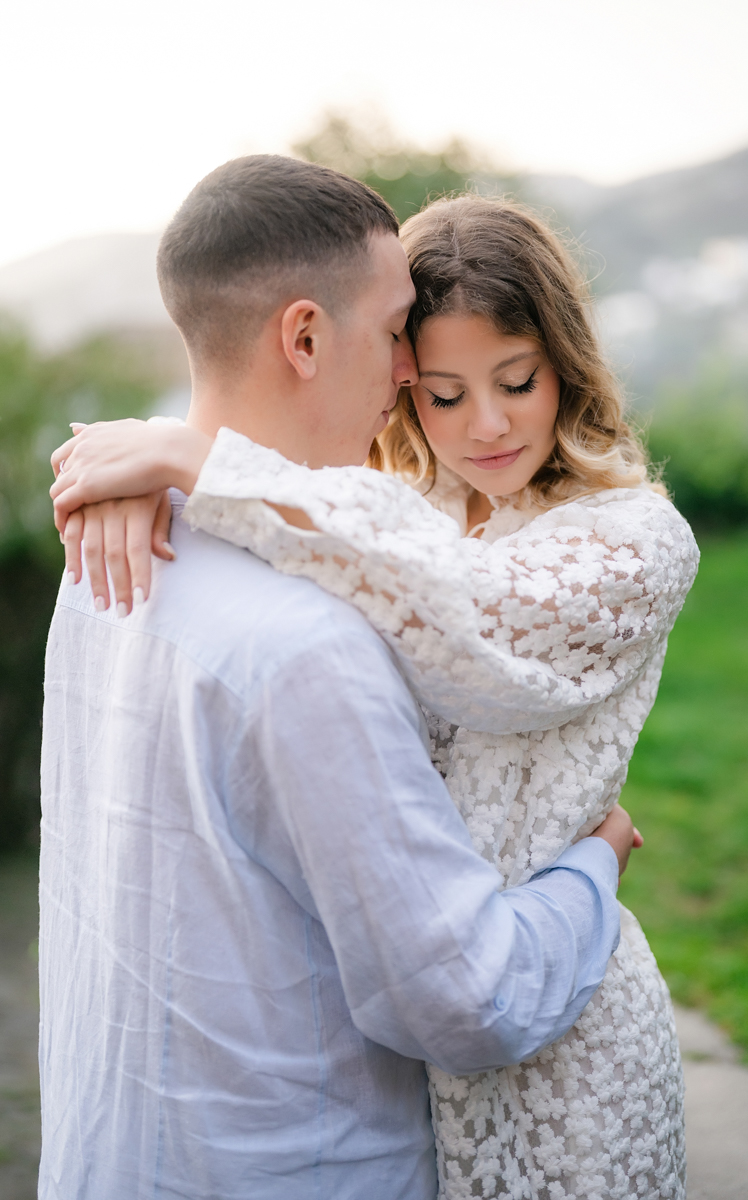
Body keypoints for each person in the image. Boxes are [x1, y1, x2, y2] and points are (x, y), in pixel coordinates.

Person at [52, 190, 699, 1200]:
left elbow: (466, 614)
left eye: (516, 381)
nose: (483, 424)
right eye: (438, 391)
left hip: (558, 1053)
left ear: (563, 361)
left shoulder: (634, 542)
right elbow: (355, 526)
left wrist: (198, 458)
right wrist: (143, 459)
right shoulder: (404, 505)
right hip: (429, 1026)